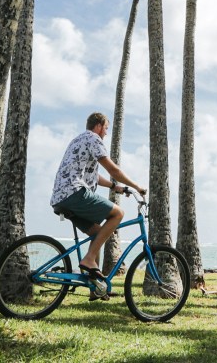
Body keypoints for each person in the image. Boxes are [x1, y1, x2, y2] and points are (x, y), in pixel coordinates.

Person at [50, 112, 146, 298]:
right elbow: (113, 169)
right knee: (117, 213)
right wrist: (136, 186)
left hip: (61, 197)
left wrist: (116, 187)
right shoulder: (94, 138)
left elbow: (93, 176)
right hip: (74, 193)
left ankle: (97, 289)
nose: (106, 133)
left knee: (97, 234)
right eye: (106, 129)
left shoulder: (78, 140)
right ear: (99, 126)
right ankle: (88, 259)